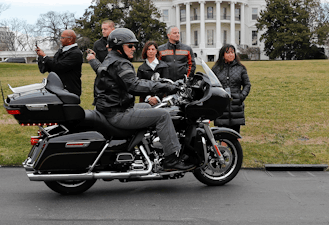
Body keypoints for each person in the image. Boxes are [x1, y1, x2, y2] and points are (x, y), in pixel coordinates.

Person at [94, 28, 194, 171]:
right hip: (118, 113)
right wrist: (165, 87)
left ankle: (146, 148)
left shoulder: (111, 60)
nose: (134, 48)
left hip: (112, 108)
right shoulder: (121, 63)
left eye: (134, 45)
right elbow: (134, 85)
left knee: (148, 108)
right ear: (118, 46)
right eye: (130, 45)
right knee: (163, 115)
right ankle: (171, 160)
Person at [211, 44, 251, 133]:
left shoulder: (241, 68)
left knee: (234, 134)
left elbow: (247, 85)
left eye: (232, 52)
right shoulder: (216, 69)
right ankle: (223, 147)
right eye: (228, 52)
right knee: (222, 134)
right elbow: (211, 84)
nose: (231, 54)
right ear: (223, 55)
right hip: (221, 105)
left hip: (236, 105)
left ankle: (234, 147)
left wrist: (241, 97)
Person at [36, 29, 83, 96]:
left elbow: (58, 67)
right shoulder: (61, 51)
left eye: (63, 38)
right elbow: (50, 67)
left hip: (70, 90)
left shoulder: (76, 54)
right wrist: (41, 57)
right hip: (57, 88)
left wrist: (44, 56)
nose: (60, 40)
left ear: (70, 39)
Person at [137, 41, 170, 105]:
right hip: (145, 101)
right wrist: (148, 98)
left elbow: (166, 85)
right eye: (148, 49)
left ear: (156, 51)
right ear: (145, 51)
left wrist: (157, 98)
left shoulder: (163, 66)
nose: (151, 51)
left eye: (153, 49)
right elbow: (140, 85)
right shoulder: (141, 68)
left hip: (161, 100)